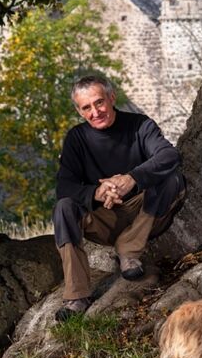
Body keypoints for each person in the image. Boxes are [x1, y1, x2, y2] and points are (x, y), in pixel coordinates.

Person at [53, 73, 186, 322]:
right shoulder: (76, 139)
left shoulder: (140, 125)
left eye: (99, 102)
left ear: (111, 97)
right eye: (87, 107)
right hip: (104, 218)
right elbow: (64, 186)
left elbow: (169, 155)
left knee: (171, 178)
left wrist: (131, 179)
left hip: (144, 212)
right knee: (64, 207)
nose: (95, 112)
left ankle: (129, 249)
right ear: (79, 111)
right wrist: (96, 192)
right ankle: (77, 295)